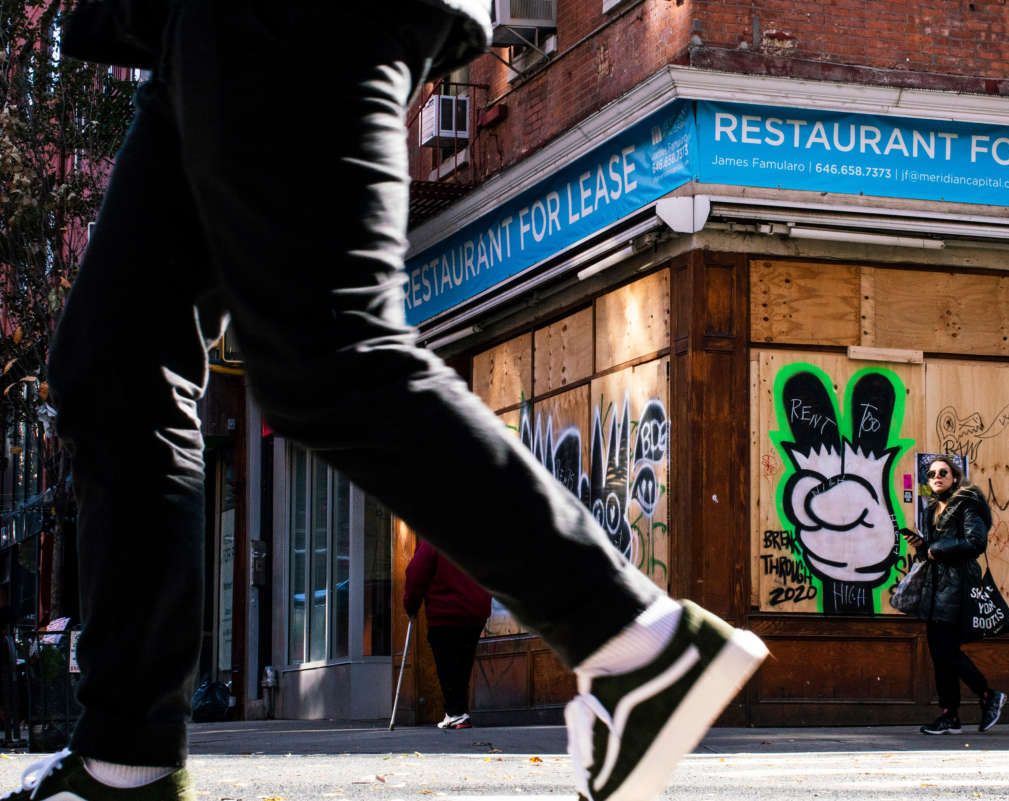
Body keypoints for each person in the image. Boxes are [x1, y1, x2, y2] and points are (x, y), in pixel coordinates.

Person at [4, 1, 768, 800]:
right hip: (186, 33)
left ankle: (636, 639)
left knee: (328, 353)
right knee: (113, 362)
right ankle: (126, 755)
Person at [902, 456, 1006, 735]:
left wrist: (939, 550)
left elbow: (976, 542)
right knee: (939, 652)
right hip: (937, 587)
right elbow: (934, 551)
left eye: (943, 472)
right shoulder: (933, 510)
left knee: (945, 649)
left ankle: (986, 695)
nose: (936, 477)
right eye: (932, 473)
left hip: (958, 586)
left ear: (955, 478)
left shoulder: (967, 504)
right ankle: (951, 715)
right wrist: (922, 546)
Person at [403, 539, 491, 730]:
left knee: (448, 664)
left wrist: (411, 605)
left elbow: (415, 574)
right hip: (476, 610)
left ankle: (456, 713)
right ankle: (457, 712)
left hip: (446, 611)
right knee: (462, 663)